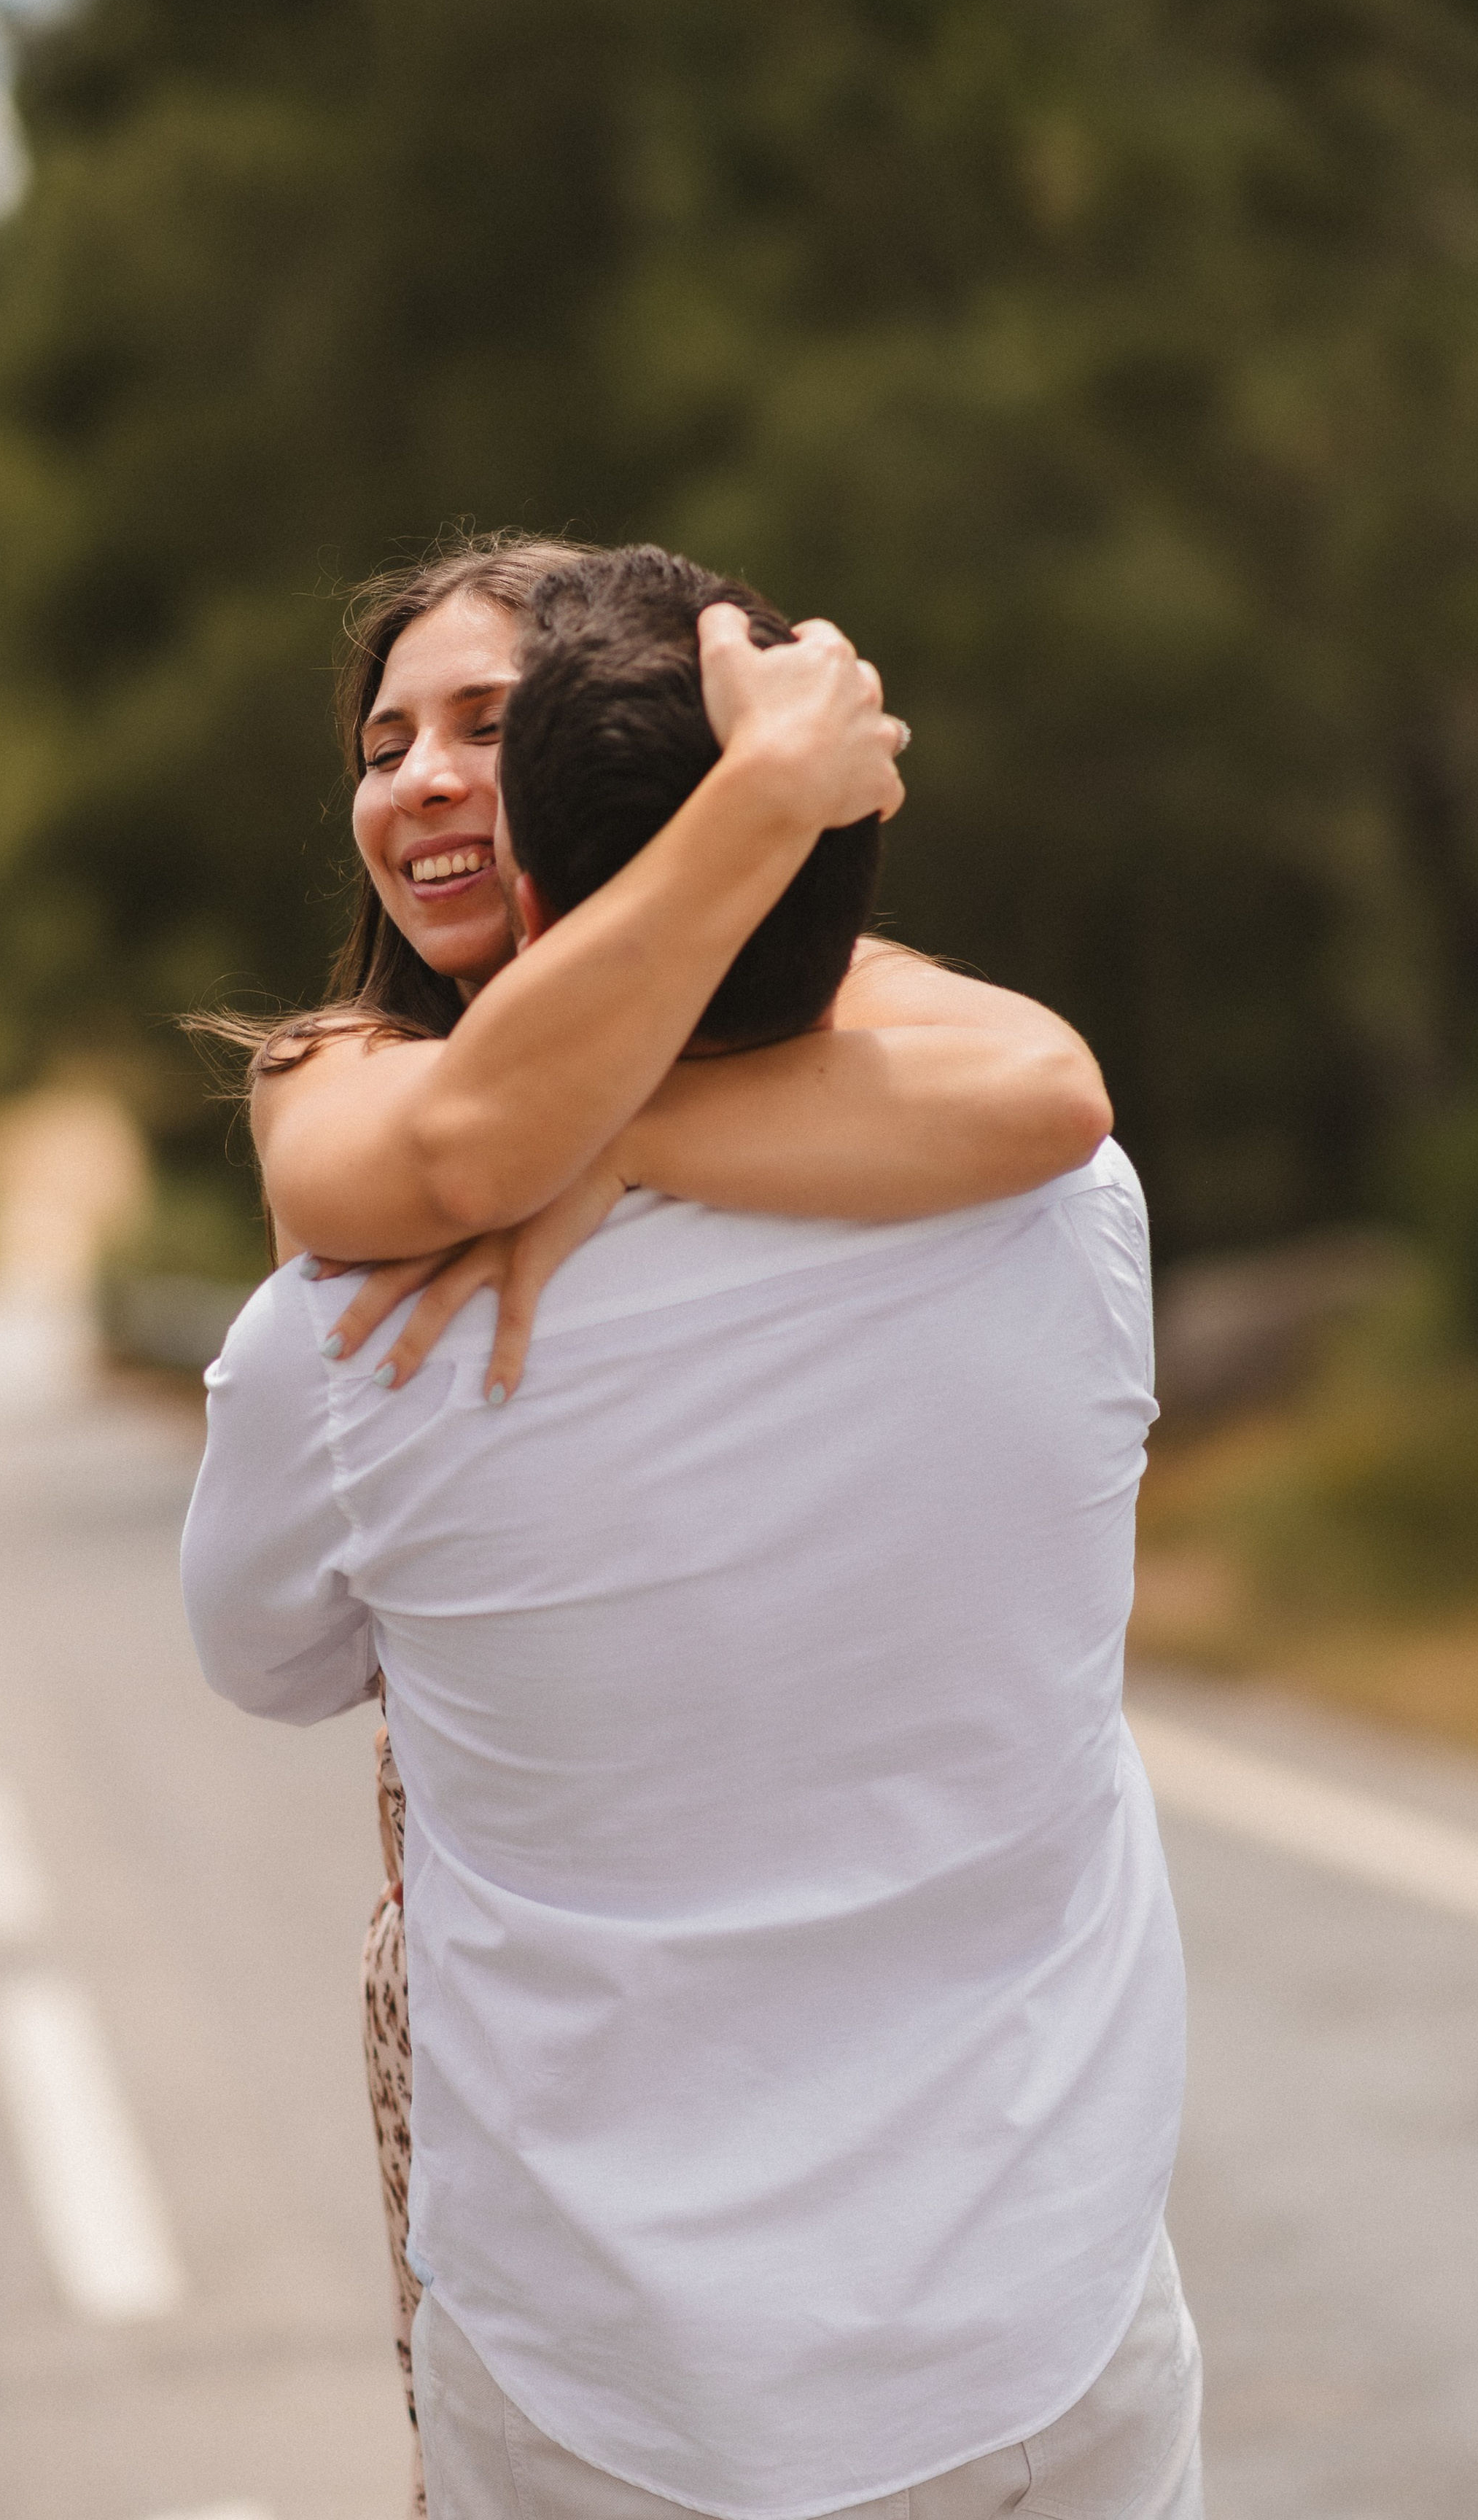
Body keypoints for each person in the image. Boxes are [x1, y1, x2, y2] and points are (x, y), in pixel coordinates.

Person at [185, 546, 1199, 2520]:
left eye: (489, 729)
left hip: (613, 2374)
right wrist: (763, 816)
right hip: (1037, 2308)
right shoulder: (1063, 1211)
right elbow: (1048, 1091)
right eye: (382, 742)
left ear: (590, 815)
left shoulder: (352, 1327)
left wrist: (603, 1129)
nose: (415, 778)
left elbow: (265, 1655)